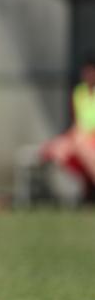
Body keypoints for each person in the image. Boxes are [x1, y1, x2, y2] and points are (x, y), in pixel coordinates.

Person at [42, 55, 95, 201]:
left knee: (85, 148)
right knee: (56, 149)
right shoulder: (79, 92)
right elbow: (78, 124)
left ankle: (88, 189)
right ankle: (83, 189)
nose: (88, 75)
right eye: (86, 72)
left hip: (90, 139)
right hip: (81, 136)